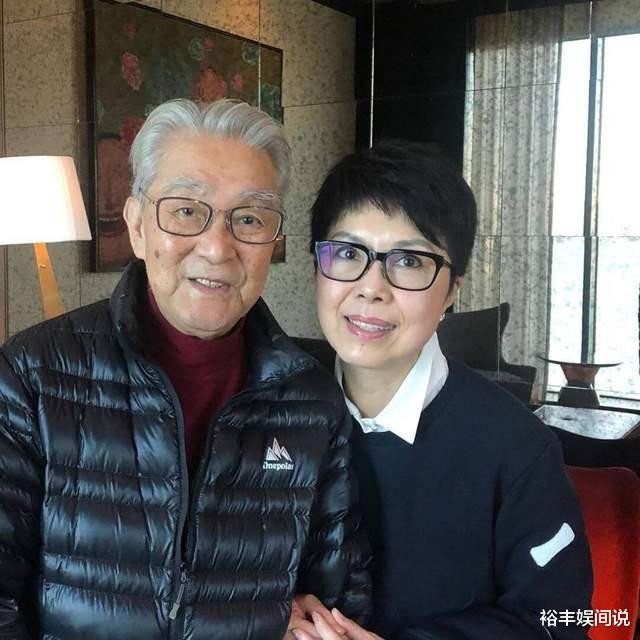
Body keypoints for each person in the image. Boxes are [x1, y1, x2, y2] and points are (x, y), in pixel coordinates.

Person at [0, 99, 370, 639]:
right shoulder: (34, 375)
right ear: (136, 226)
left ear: (274, 242)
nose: (217, 248)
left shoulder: (311, 401)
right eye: (186, 211)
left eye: (249, 218)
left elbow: (338, 599)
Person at [292, 140, 592, 640]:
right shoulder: (272, 414)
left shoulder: (517, 448)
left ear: (453, 289)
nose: (371, 287)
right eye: (347, 253)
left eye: (409, 261)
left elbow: (571, 620)